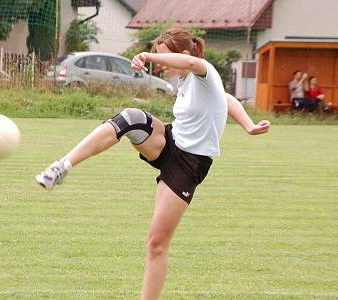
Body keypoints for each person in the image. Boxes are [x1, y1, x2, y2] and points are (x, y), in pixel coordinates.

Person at [35, 29, 271, 300]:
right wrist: (249, 125)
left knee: (156, 245)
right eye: (157, 57)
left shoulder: (203, 70)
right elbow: (226, 99)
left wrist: (146, 55)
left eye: (163, 57)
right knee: (130, 118)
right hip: (168, 142)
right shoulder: (184, 81)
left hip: (189, 165)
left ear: (181, 55)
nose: (158, 63)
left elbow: (208, 79)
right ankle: (62, 165)